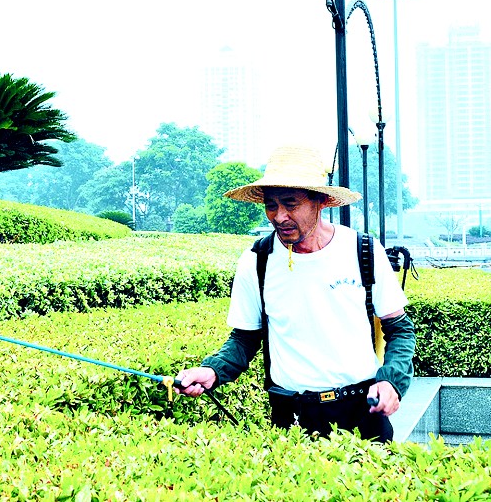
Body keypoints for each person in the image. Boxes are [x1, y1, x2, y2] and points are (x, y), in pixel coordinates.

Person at [176, 145, 415, 443]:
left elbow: (400, 330)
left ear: (322, 202)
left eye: (291, 204)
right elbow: (244, 339)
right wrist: (213, 370)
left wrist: (392, 382)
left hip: (362, 412)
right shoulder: (257, 260)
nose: (279, 216)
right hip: (291, 417)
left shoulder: (363, 251)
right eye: (271, 205)